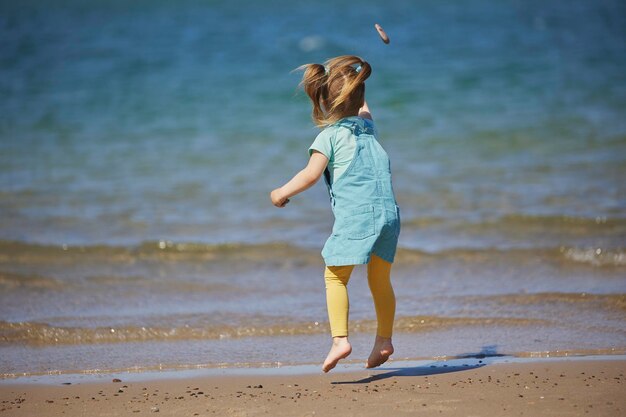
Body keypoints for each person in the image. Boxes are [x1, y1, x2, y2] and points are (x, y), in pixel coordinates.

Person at [270, 55, 400, 373]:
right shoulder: (368, 128)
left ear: (325, 102)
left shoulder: (328, 137)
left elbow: (311, 175)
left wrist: (281, 192)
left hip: (358, 216)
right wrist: (359, 89)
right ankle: (384, 340)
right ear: (358, 97)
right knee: (380, 278)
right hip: (389, 215)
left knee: (334, 275)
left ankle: (340, 340)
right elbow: (365, 108)